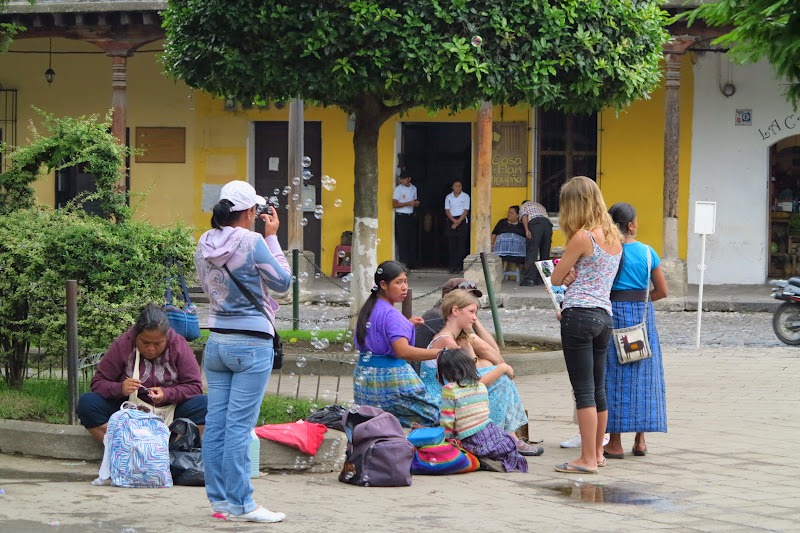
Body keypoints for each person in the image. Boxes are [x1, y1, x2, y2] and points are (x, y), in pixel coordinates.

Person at [195, 180, 292, 523]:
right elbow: (283, 282)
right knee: (239, 427)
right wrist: (272, 237)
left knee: (217, 426)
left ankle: (221, 503)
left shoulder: (204, 242)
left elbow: (208, 287)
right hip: (251, 343)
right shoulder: (252, 241)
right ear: (250, 212)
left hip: (217, 342)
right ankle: (244, 504)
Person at [550, 176, 622, 475]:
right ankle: (598, 454)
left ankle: (586, 460)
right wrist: (572, 273)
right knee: (598, 388)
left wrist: (566, 275)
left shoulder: (582, 237)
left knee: (583, 391)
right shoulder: (613, 237)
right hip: (604, 315)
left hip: (578, 314)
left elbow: (555, 277)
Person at [423, 289, 542, 456]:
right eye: (471, 312)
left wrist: (472, 343)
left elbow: (494, 353)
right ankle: (504, 437)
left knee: (493, 369)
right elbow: (470, 387)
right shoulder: (447, 342)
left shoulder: (459, 338)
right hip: (442, 398)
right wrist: (502, 368)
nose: (474, 317)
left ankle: (508, 436)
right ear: (455, 311)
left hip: (453, 392)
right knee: (500, 378)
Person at [77, 304, 207, 444]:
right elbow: (98, 383)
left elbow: (195, 387)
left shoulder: (178, 345)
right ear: (136, 336)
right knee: (87, 403)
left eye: (158, 344)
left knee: (206, 405)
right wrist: (120, 389)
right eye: (145, 342)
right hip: (128, 410)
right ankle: (122, 448)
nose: (151, 349)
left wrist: (167, 393)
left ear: (166, 337)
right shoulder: (123, 344)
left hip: (171, 410)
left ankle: (171, 451)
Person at [603, 202, 668, 459]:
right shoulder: (648, 253)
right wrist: (640, 302)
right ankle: (640, 441)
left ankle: (615, 443)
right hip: (642, 319)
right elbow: (662, 291)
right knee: (644, 375)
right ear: (631, 225)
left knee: (614, 377)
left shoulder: (609, 251)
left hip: (612, 316)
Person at [353, 260, 441, 427]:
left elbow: (380, 334)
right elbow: (402, 351)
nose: (404, 287)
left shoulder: (370, 308)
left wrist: (406, 324)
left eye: (406, 281)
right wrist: (441, 352)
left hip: (364, 380)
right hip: (390, 379)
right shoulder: (392, 315)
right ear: (383, 285)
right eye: (398, 282)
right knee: (437, 415)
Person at [438, 348, 528, 473]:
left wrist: (445, 440)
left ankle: (482, 459)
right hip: (490, 430)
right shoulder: (480, 386)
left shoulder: (449, 389)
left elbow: (447, 420)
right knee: (505, 442)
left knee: (463, 448)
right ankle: (497, 457)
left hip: (470, 437)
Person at [519, 200, 553, 286]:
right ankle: (544, 279)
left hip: (535, 224)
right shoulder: (540, 206)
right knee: (545, 253)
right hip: (548, 226)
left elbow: (524, 216)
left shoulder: (525, 205)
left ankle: (529, 279)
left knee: (532, 252)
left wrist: (527, 230)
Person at [393, 174, 419, 268]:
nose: (402, 181)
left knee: (412, 240)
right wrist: (408, 203)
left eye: (404, 179)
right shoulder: (398, 189)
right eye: (401, 179)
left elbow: (415, 200)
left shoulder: (413, 188)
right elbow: (394, 204)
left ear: (409, 179)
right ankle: (403, 263)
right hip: (401, 216)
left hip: (410, 216)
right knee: (402, 240)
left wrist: (415, 203)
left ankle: (412, 263)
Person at [444, 179, 471, 274]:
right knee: (452, 246)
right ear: (452, 187)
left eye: (459, 186)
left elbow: (466, 210)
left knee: (461, 246)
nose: (458, 188)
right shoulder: (448, 197)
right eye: (456, 186)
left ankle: (460, 267)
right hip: (451, 220)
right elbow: (447, 210)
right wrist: (453, 221)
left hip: (462, 221)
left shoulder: (465, 196)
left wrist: (458, 222)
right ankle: (452, 267)